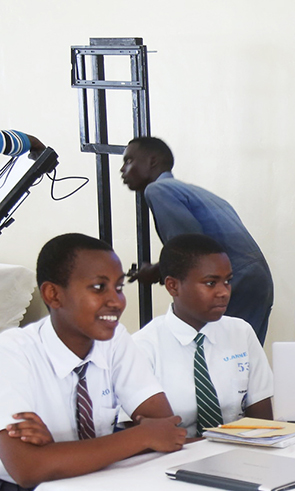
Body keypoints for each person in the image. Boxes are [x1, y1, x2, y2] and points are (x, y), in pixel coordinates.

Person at [0, 233, 185, 490]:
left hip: (99, 480)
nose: (116, 301)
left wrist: (57, 452)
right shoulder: (10, 353)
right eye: (99, 287)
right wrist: (141, 435)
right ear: (53, 294)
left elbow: (167, 428)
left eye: (118, 287)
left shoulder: (114, 338)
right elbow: (29, 469)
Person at [120, 137, 274, 344]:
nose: (122, 169)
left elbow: (188, 250)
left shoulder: (158, 189)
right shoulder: (196, 192)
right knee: (241, 357)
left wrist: (157, 271)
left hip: (232, 279)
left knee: (215, 354)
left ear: (152, 161)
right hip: (257, 280)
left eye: (129, 161)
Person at [132, 234, 273, 438]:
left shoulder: (240, 332)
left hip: (239, 455)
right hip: (170, 463)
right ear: (173, 286)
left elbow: (263, 423)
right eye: (210, 283)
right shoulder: (143, 347)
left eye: (227, 281)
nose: (223, 292)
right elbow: (147, 438)